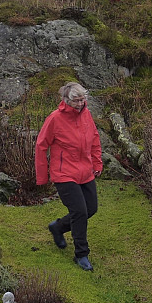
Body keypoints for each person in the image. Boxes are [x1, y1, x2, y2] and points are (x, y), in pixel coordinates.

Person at [35, 82, 103, 271]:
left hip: (85, 171)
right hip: (64, 174)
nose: (81, 104)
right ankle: (82, 254)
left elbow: (95, 139)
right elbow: (41, 145)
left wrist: (97, 163)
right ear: (66, 100)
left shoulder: (87, 115)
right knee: (79, 212)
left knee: (91, 209)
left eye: (83, 99)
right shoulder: (55, 119)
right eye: (76, 100)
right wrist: (42, 176)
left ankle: (58, 227)